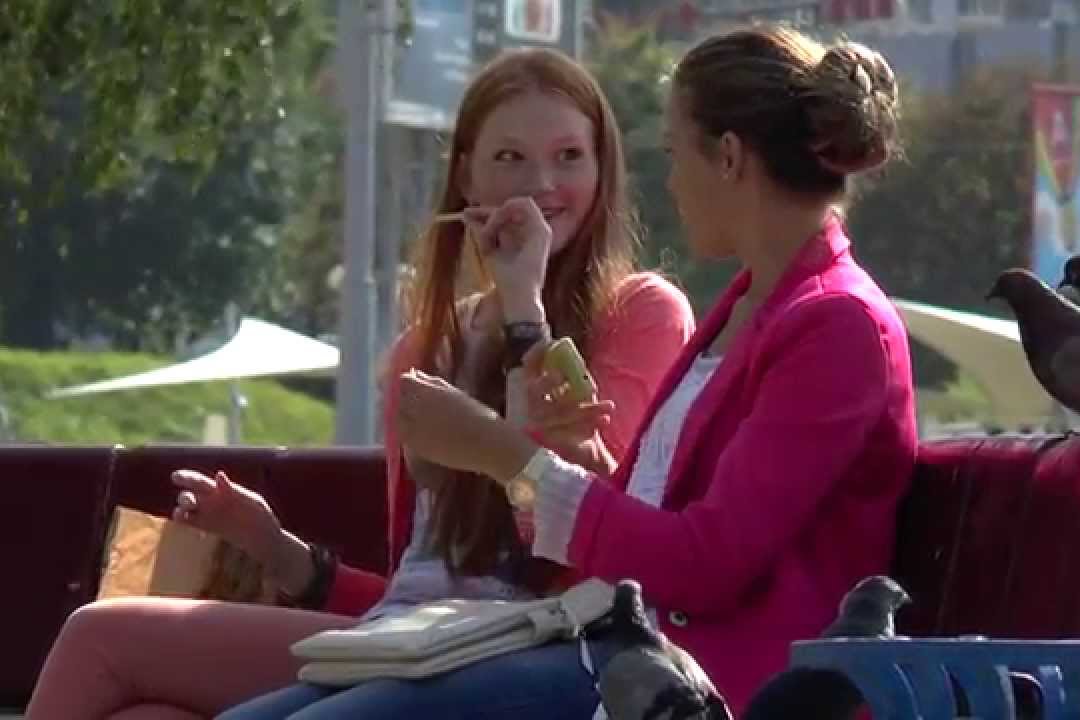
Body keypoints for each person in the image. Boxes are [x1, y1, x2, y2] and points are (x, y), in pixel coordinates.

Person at [221, 24, 918, 720]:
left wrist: (506, 458)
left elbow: (704, 565)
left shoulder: (837, 324)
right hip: (616, 659)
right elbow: (652, 526)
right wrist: (571, 458)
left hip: (695, 685)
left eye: (675, 154)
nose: (671, 181)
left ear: (729, 158)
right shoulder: (752, 304)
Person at [24, 48, 694, 720]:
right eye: (510, 159)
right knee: (126, 678)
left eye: (569, 156)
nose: (542, 183)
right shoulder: (423, 349)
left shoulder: (641, 312)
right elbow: (413, 592)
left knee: (100, 642)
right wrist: (276, 549)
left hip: (536, 646)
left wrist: (525, 308)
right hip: (407, 644)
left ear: (603, 168)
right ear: (466, 176)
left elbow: (588, 527)